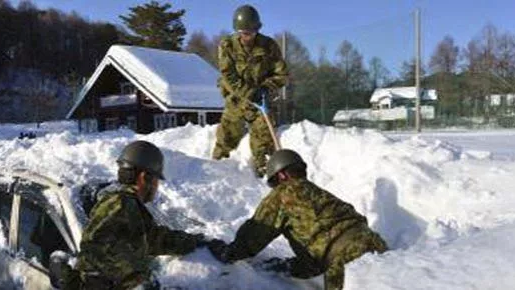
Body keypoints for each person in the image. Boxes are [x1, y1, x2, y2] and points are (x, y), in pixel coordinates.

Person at [208, 149, 388, 290]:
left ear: (281, 176)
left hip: (345, 259)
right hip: (378, 248)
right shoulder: (322, 196)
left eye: (275, 182)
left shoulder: (284, 193)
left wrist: (228, 253)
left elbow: (254, 236)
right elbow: (322, 247)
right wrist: (288, 266)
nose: (276, 187)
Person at [70, 141, 210, 289]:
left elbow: (156, 239)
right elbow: (94, 250)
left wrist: (202, 243)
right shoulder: (120, 204)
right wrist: (136, 281)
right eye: (156, 180)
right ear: (144, 177)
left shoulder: (130, 207)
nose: (157, 186)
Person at [212, 4, 288, 177]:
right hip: (237, 99)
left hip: (261, 101)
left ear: (257, 29)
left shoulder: (269, 46)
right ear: (238, 31)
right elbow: (228, 76)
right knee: (226, 137)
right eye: (244, 33)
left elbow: (282, 75)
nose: (248, 36)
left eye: (252, 32)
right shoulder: (227, 45)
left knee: (264, 139)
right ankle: (215, 172)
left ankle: (263, 174)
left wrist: (265, 88)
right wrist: (248, 92)